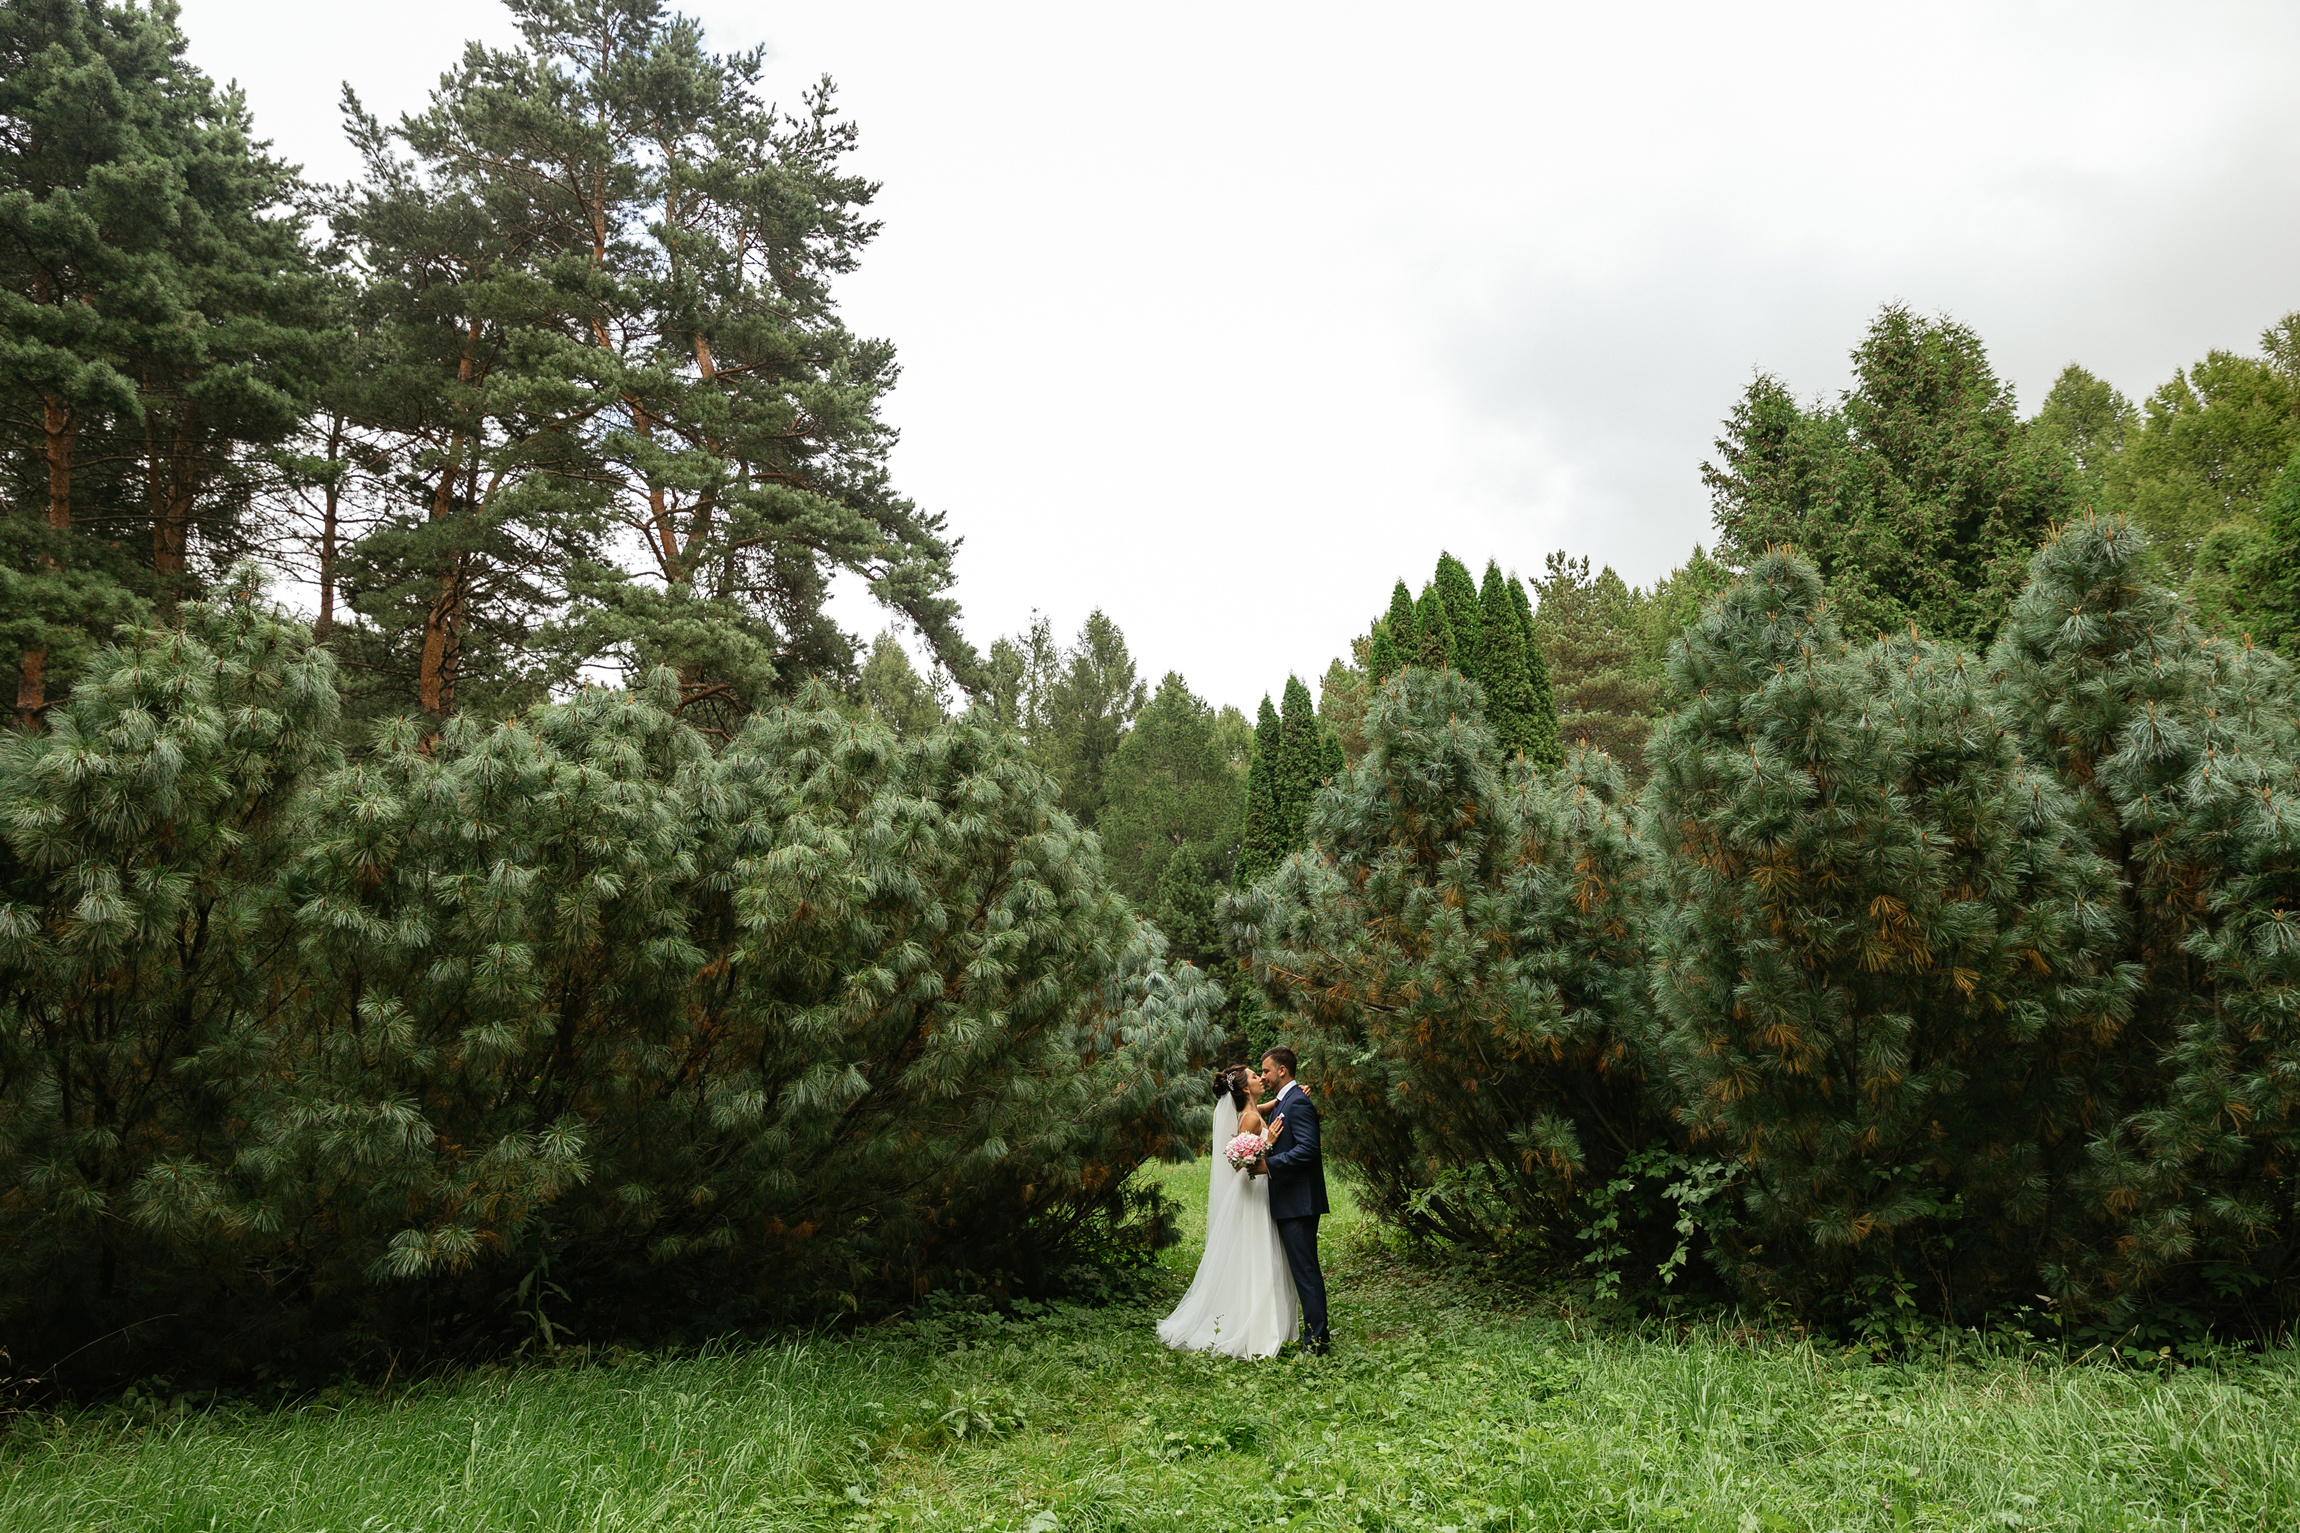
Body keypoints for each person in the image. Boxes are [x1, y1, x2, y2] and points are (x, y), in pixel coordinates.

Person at [1157, 1064, 1298, 1358]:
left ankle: (1265, 1322)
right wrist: (1268, 1144)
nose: (1262, 1079)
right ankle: (1254, 1329)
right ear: (1246, 1088)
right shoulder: (1248, 1119)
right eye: (1256, 1076)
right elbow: (1238, 1164)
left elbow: (1268, 1106)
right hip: (1251, 1192)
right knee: (1257, 1256)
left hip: (1258, 1191)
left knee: (1259, 1254)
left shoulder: (1252, 1110)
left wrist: (1288, 1097)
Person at [1259, 1046, 1330, 1355]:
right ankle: (1313, 1334)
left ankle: (1317, 1343)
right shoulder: (1287, 1100)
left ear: (1282, 1070)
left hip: (1299, 1202)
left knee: (1306, 1270)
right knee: (1302, 1270)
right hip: (1291, 1201)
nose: (1263, 1076)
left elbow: (1308, 1149)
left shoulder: (1297, 1102)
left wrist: (1269, 1165)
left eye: (1266, 1071)